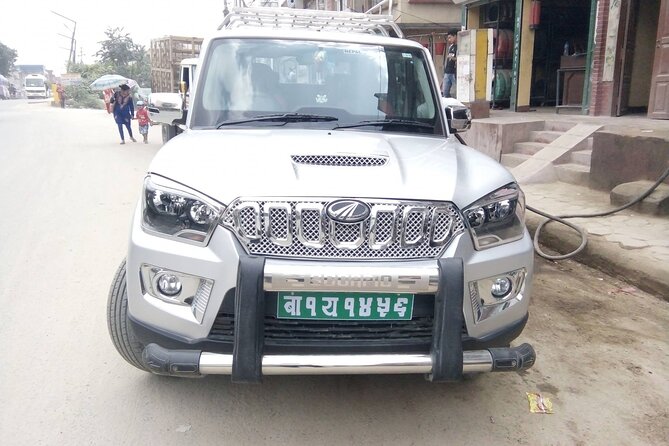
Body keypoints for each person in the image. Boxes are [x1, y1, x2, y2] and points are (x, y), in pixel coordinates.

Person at [442, 30, 458, 98]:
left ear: (455, 36)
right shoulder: (451, 46)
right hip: (447, 72)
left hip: (454, 72)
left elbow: (461, 59)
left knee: (456, 92)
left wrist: (453, 58)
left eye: (450, 37)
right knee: (445, 91)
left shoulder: (459, 46)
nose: (449, 40)